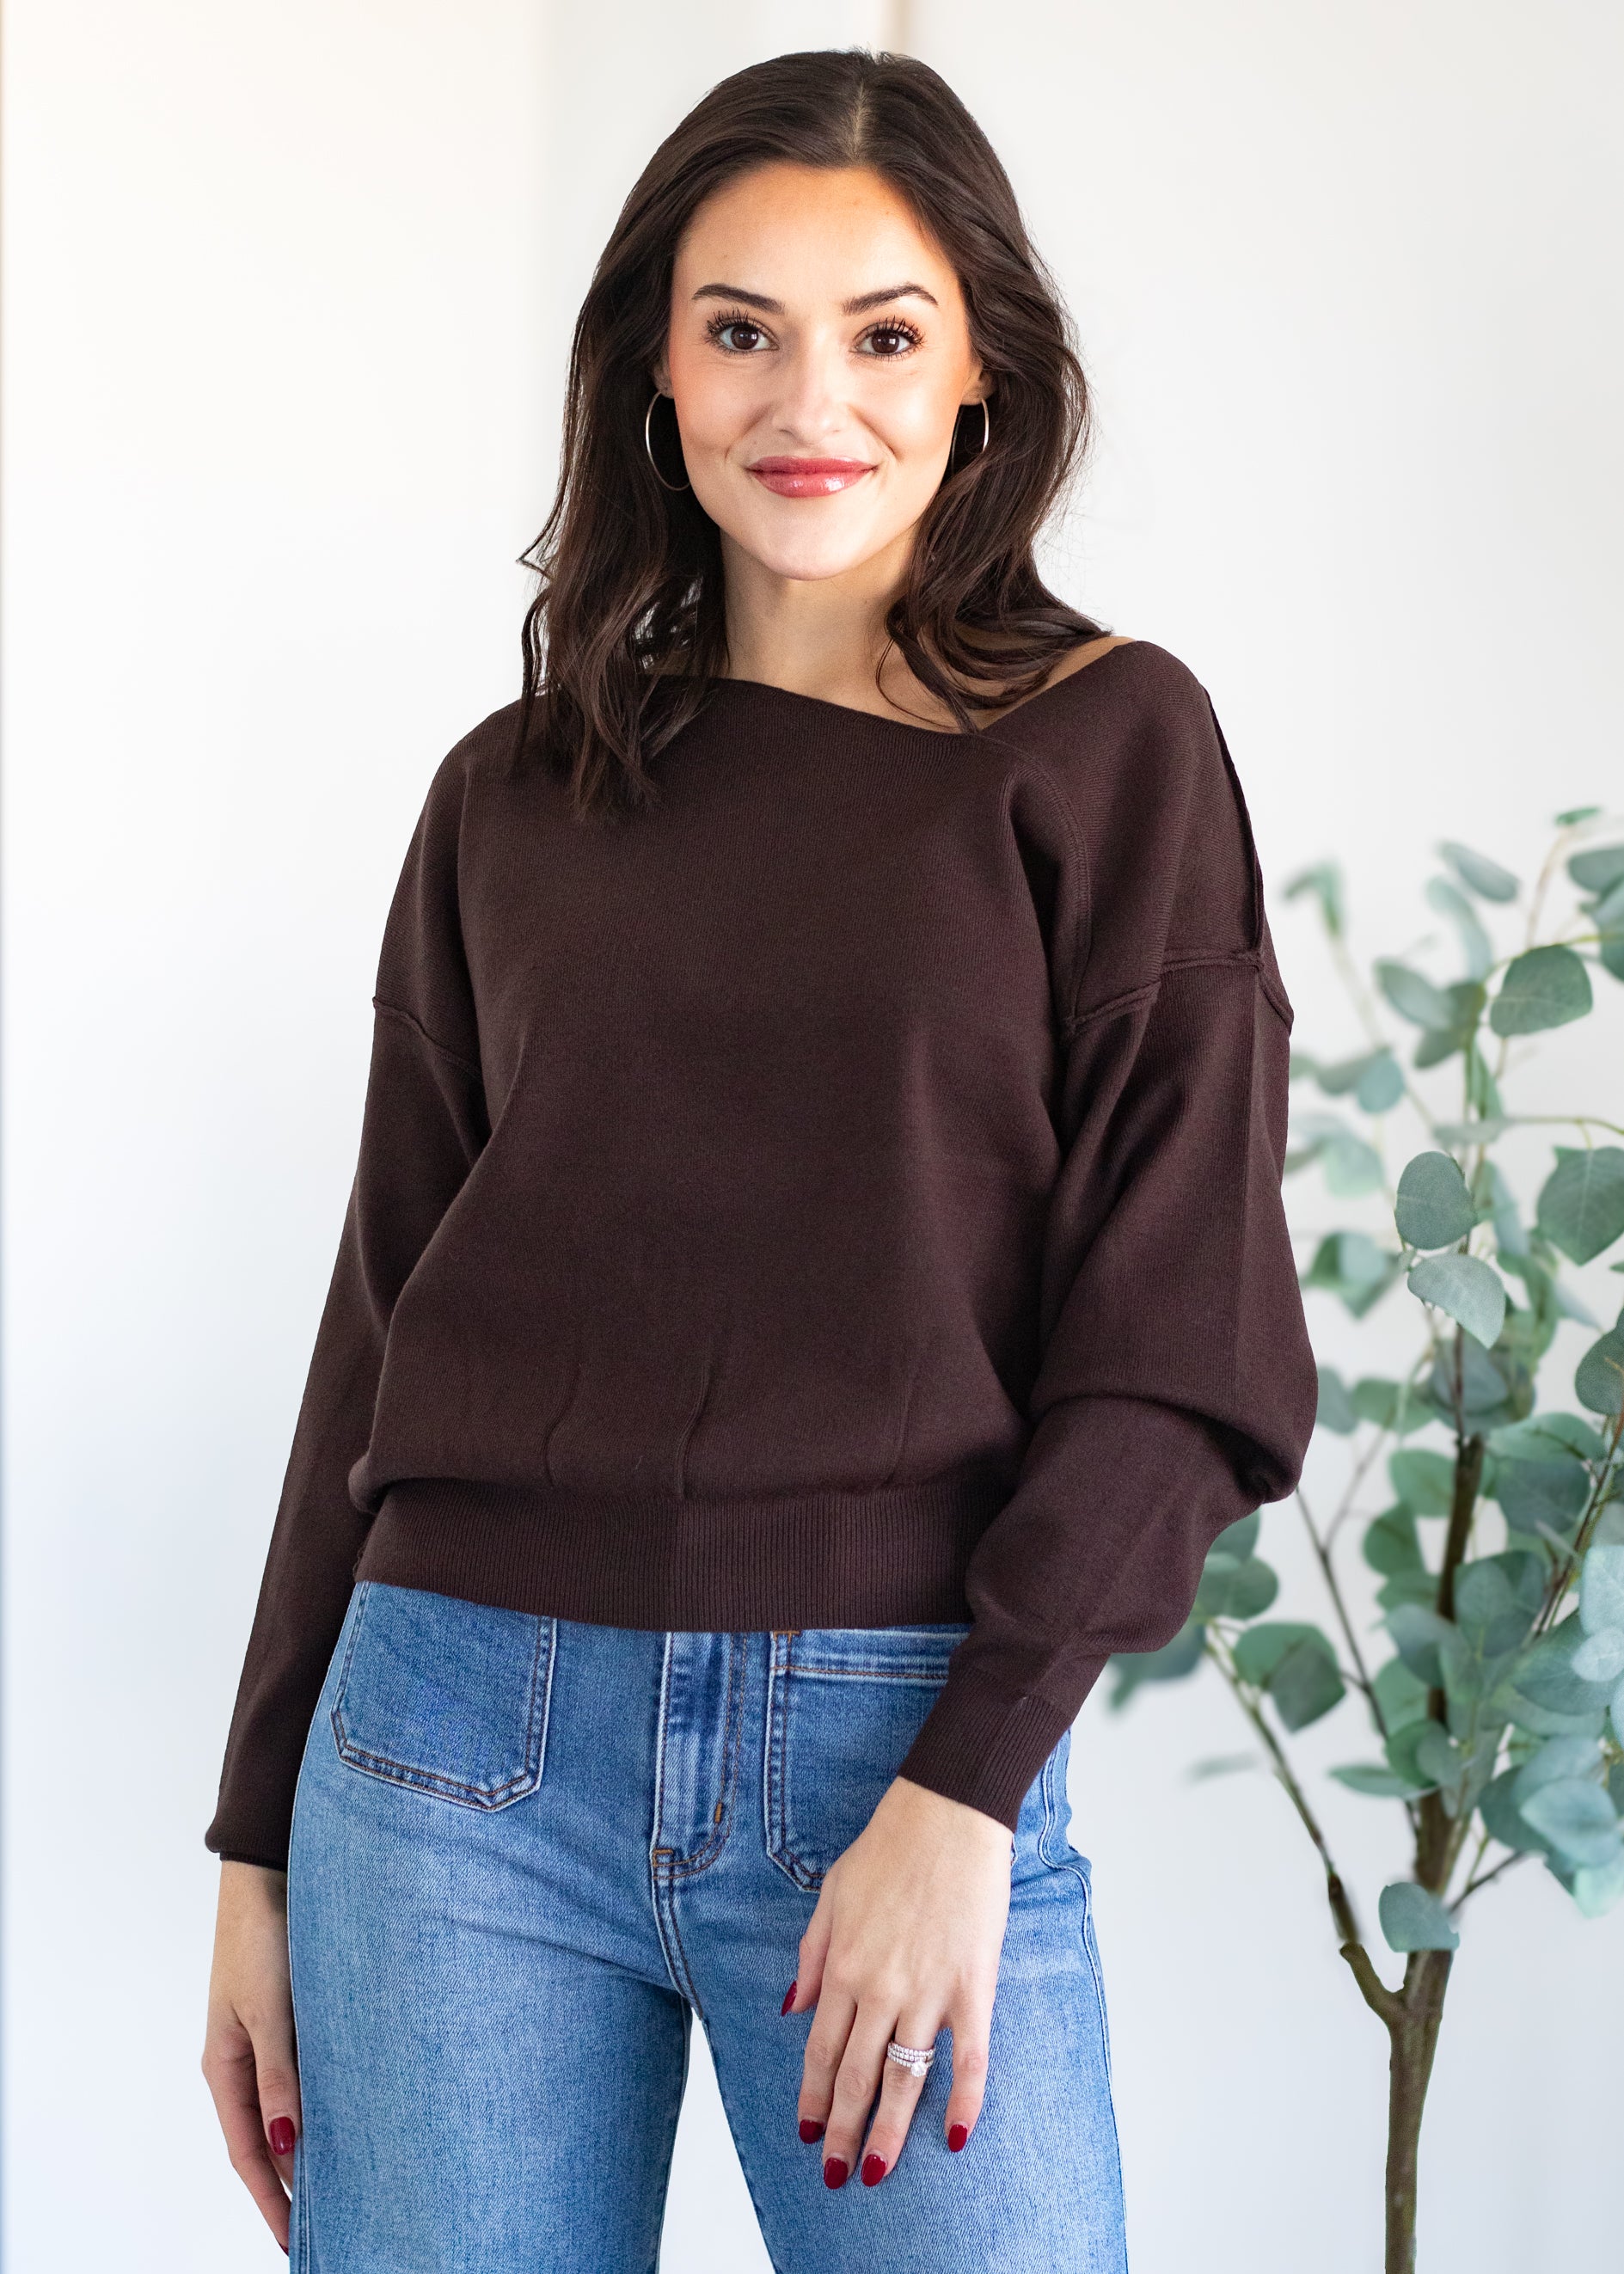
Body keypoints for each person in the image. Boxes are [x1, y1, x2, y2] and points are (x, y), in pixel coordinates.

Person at [201, 46, 1316, 2273]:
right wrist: (254, 1850)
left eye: (883, 332)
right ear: (654, 375)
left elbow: (1181, 1341)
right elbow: (382, 1317)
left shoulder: (1105, 751)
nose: (812, 399)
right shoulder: (511, 795)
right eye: (741, 331)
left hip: (890, 1740)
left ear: (981, 372)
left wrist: (960, 1787)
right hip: (444, 1765)